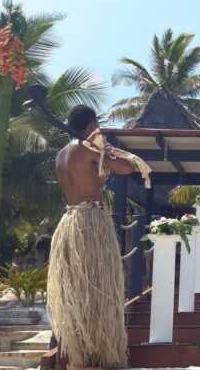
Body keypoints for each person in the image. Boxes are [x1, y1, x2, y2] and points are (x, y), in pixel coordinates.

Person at [48, 105, 146, 368]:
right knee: (99, 288)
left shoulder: (61, 155)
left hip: (69, 223)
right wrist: (107, 149)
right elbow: (126, 168)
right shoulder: (89, 150)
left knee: (79, 289)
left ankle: (81, 350)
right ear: (91, 125)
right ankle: (100, 353)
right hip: (91, 222)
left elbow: (88, 180)